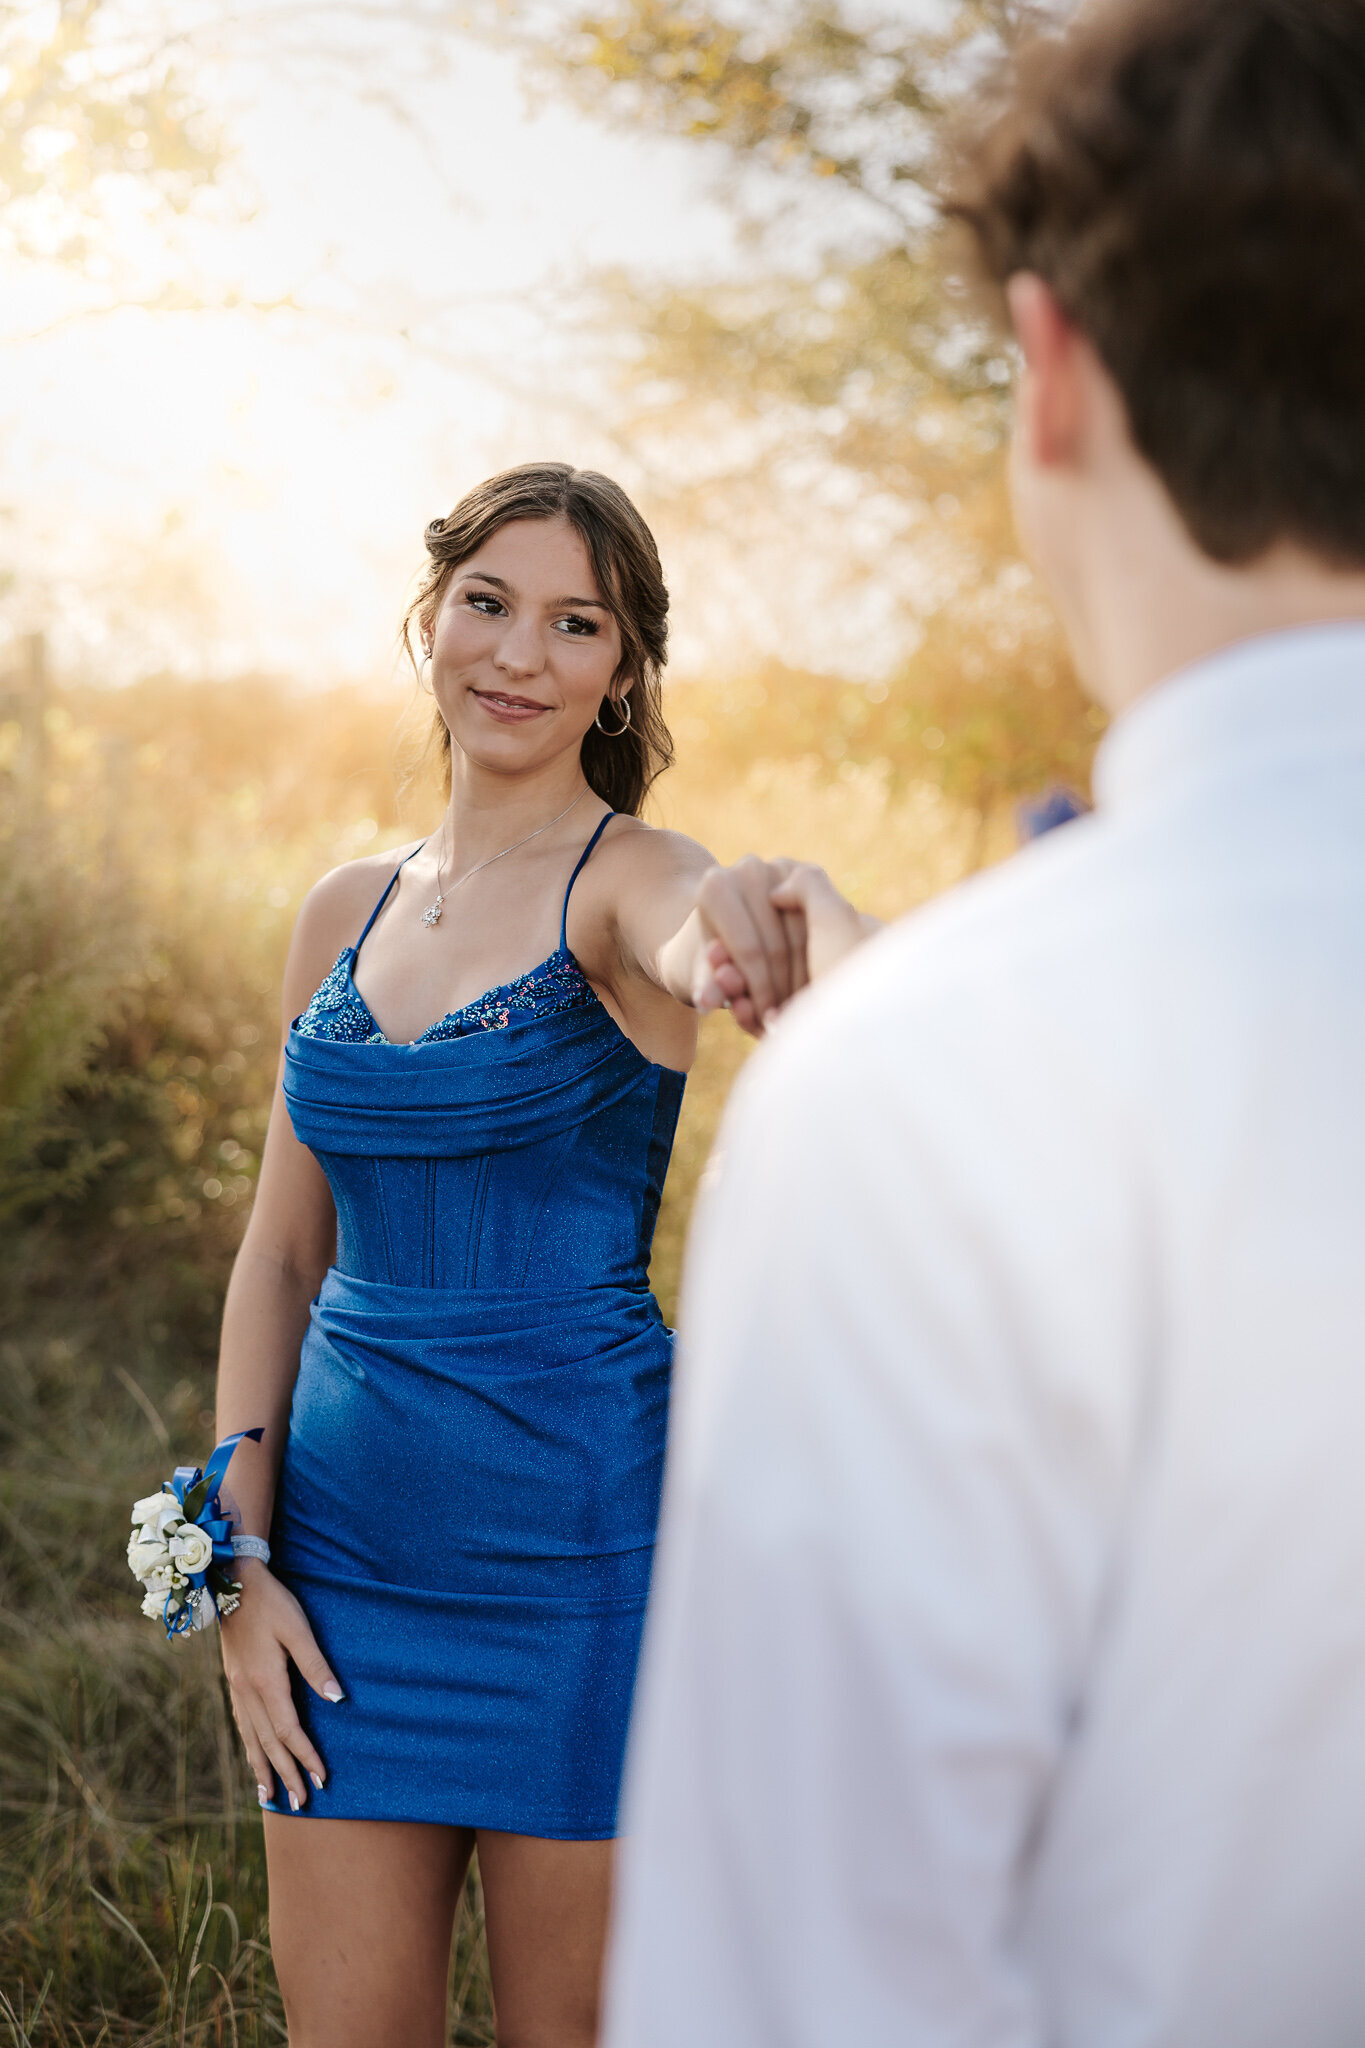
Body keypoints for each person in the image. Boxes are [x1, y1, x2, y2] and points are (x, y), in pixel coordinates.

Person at [603, 2, 1365, 2043]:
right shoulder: (930, 1055)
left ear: (1046, 366)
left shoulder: (926, 1097)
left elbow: (797, 1991)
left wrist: (904, 1031)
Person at [211, 461, 860, 2048]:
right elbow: (280, 1260)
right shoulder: (339, 912)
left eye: (577, 624)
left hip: (583, 1576)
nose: (518, 654)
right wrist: (228, 1564)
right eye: (489, 604)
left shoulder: (627, 880)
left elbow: (699, 931)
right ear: (431, 616)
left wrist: (780, 918)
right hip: (344, 1573)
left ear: (624, 668)